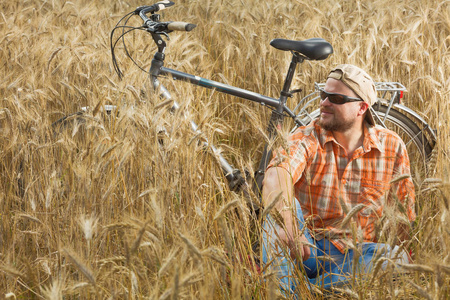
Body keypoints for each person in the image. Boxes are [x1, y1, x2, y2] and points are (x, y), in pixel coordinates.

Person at [261, 64, 415, 293]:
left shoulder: (392, 146)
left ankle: (304, 291)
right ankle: (302, 291)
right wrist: (288, 224)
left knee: (398, 260)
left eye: (336, 98)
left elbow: (404, 212)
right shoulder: (306, 137)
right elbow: (277, 174)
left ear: (362, 107)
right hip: (303, 249)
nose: (324, 102)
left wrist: (407, 260)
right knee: (278, 212)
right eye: (324, 95)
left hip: (354, 256)